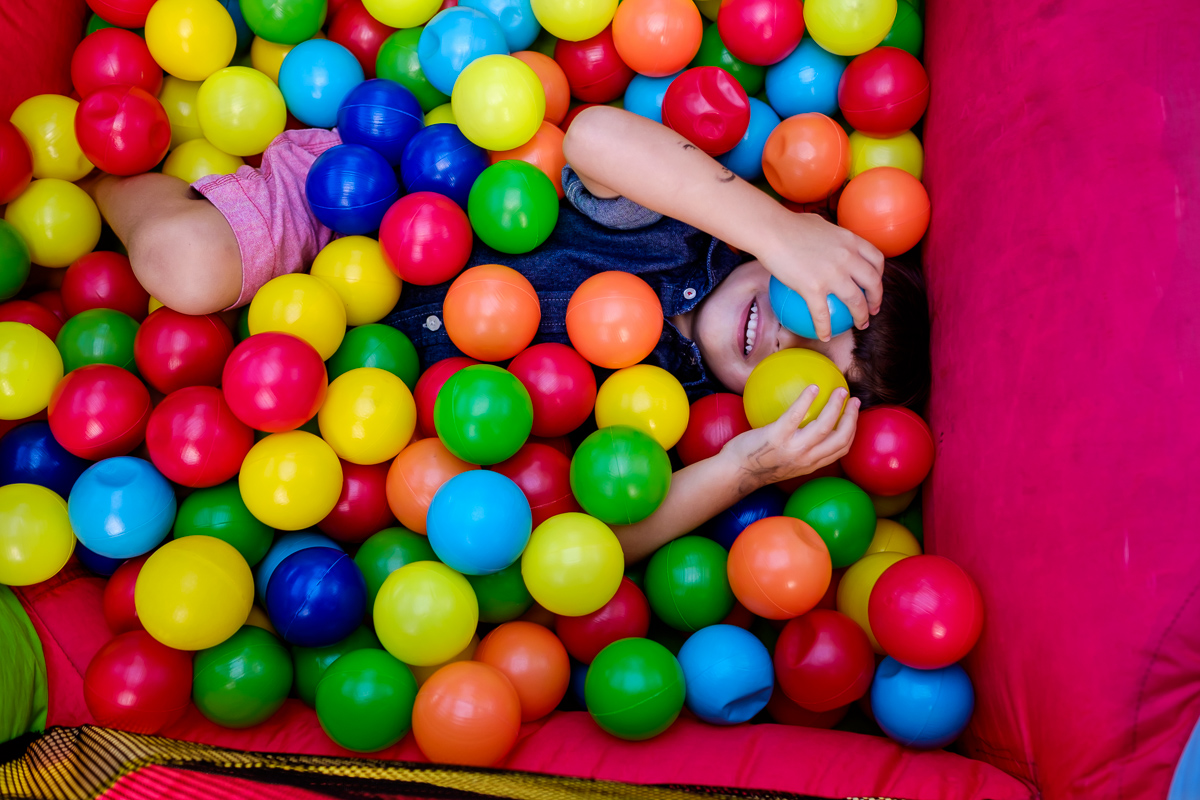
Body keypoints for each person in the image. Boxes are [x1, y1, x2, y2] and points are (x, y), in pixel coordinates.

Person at [85, 106, 930, 561]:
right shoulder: (689, 225)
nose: (792, 344)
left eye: (820, 375)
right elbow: (598, 136)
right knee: (184, 266)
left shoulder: (674, 421)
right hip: (358, 215)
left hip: (333, 419)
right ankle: (98, 182)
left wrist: (738, 472)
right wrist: (774, 229)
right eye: (819, 311)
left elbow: (595, 543)